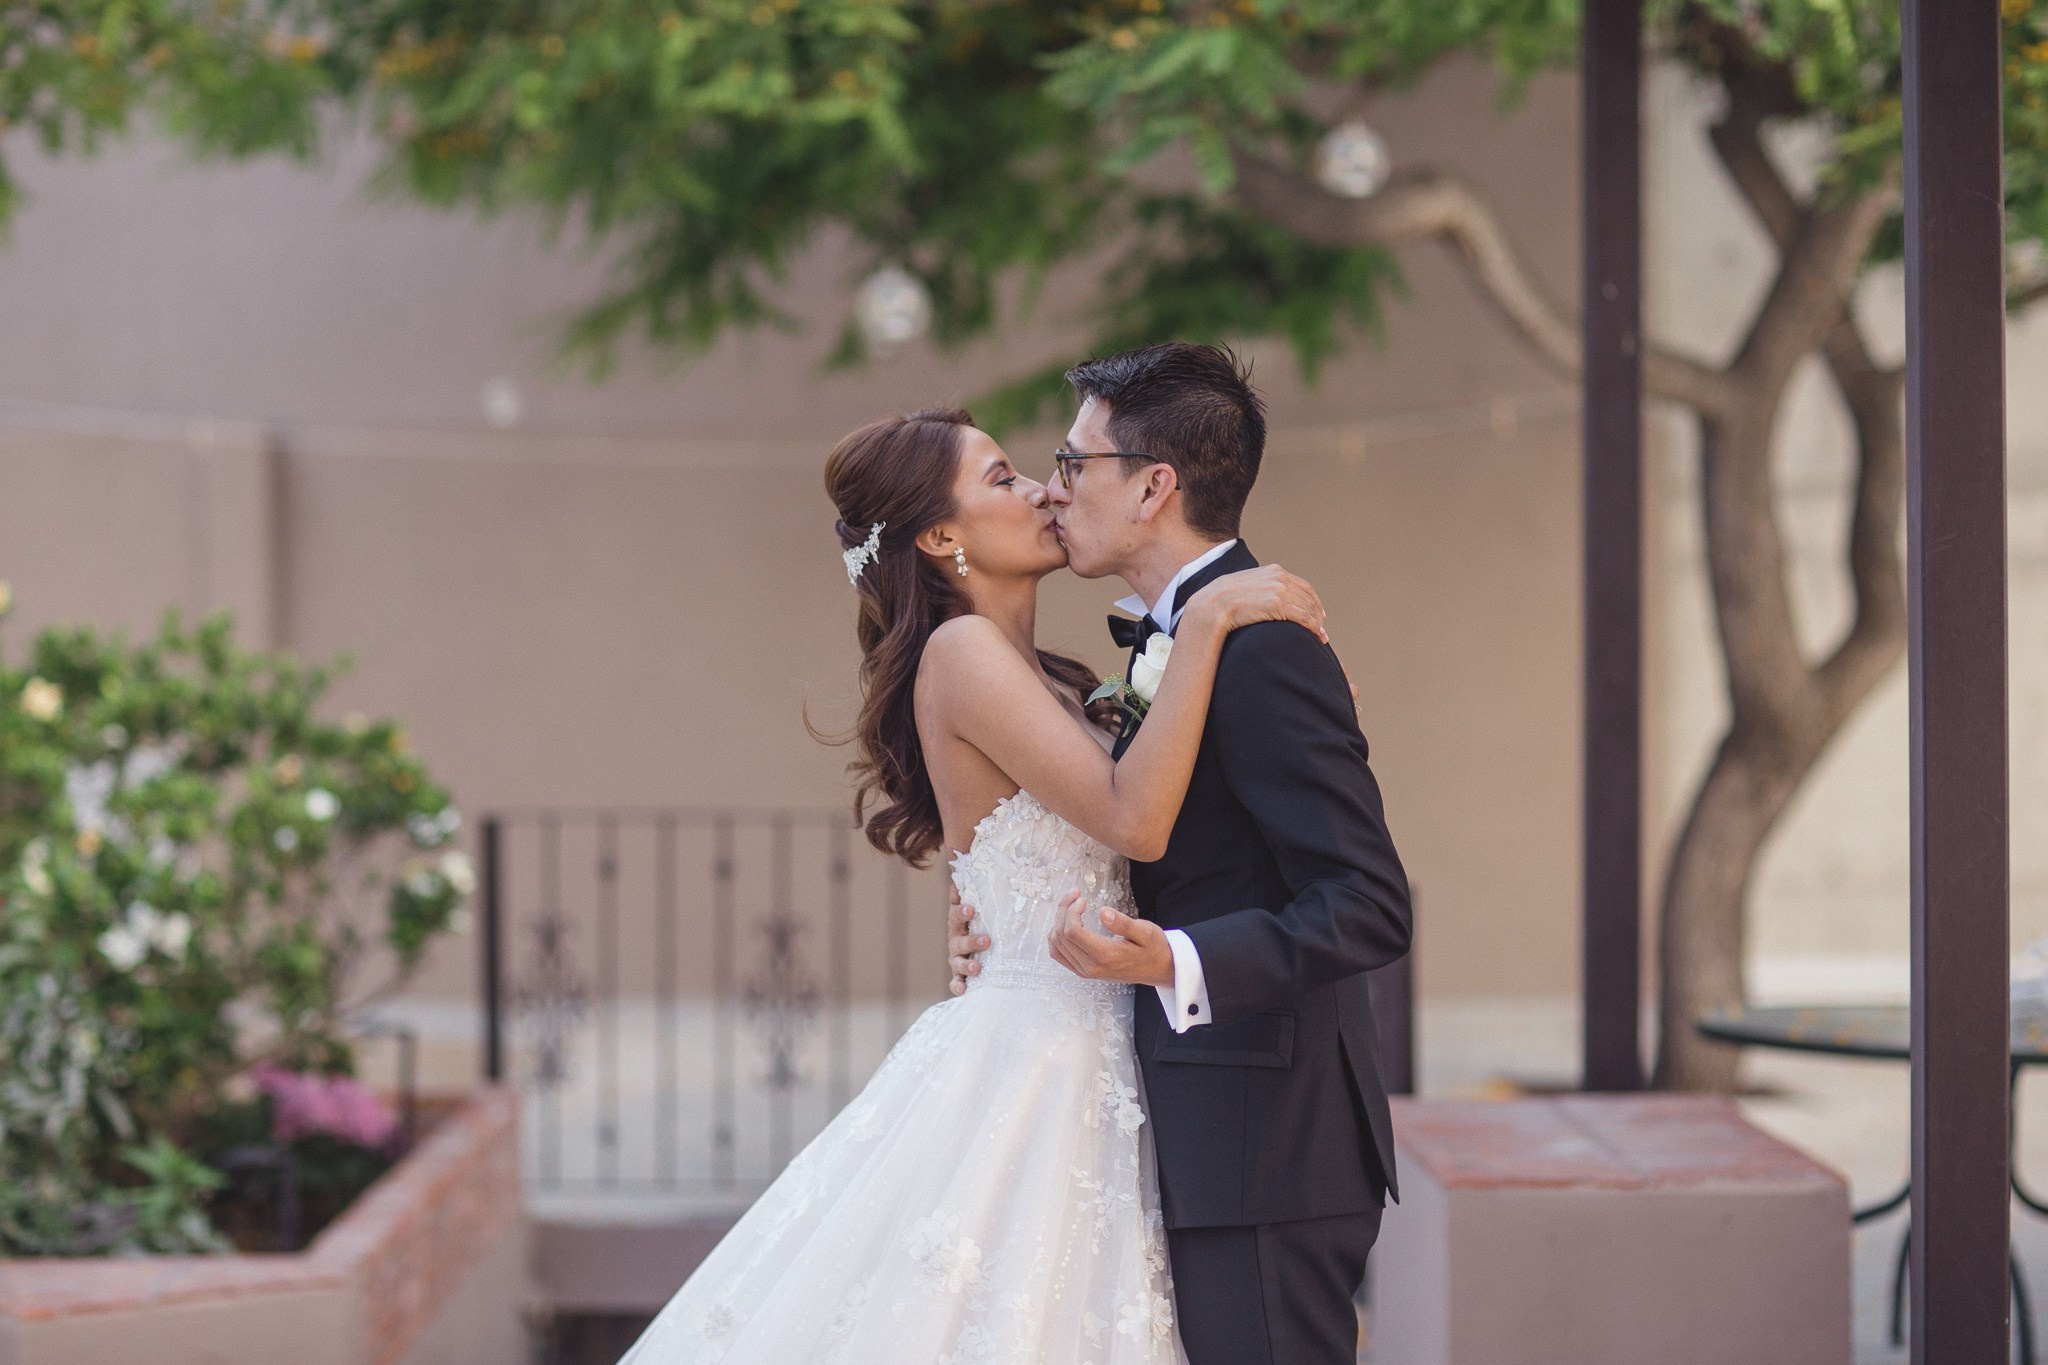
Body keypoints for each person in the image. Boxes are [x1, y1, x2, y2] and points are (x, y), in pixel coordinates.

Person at [617, 404, 1329, 1364]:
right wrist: (1209, 616)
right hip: (1033, 1062)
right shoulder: (961, 655)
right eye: (1002, 478)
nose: (1044, 488)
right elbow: (1132, 818)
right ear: (942, 535)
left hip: (1111, 1055)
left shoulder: (1064, 679)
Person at [950, 343, 1413, 1365]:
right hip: (1201, 1136)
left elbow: (1368, 903)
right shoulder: (1183, 637)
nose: (1054, 490)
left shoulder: (1262, 642)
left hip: (1267, 1147)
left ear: (1153, 485)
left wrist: (1172, 958)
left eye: (1075, 465)